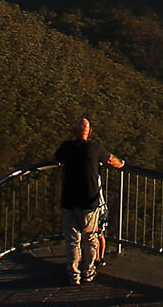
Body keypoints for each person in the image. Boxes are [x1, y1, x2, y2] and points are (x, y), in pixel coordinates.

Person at [53, 116, 124, 285]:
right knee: (90, 237)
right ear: (90, 132)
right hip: (89, 202)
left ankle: (74, 274)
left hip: (69, 200)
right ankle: (88, 271)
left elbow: (55, 158)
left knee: (73, 240)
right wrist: (122, 163)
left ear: (74, 131)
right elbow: (112, 160)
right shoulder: (95, 148)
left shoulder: (66, 147)